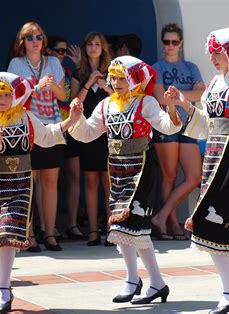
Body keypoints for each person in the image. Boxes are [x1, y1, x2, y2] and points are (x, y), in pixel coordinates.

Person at [166, 28, 229, 313]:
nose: (212, 57)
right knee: (214, 221)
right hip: (214, 153)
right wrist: (184, 104)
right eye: (211, 52)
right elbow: (207, 124)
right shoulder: (213, 83)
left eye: (217, 52)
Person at [69, 56, 180, 304]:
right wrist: (76, 118)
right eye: (114, 78)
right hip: (118, 172)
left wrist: (171, 107)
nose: (117, 82)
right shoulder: (106, 105)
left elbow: (168, 127)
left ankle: (135, 281)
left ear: (134, 79)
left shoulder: (146, 102)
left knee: (131, 227)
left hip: (142, 170)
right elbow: (87, 134)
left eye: (122, 78)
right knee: (123, 228)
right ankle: (154, 283)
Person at [0, 71, 82, 313]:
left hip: (22, 182)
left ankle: (3, 288)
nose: (0, 99)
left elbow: (48, 135)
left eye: (5, 94)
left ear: (14, 95)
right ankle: (5, 286)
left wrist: (73, 119)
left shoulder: (26, 117)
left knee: (8, 234)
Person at [8, 21, 66, 251]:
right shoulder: (16, 64)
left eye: (39, 37)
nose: (35, 41)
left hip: (51, 127)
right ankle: (29, 234)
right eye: (30, 37)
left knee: (51, 182)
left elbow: (63, 94)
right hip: (28, 128)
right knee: (28, 183)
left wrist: (50, 86)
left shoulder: (52, 62)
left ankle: (49, 234)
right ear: (22, 42)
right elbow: (13, 98)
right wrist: (35, 86)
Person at [150, 23, 204, 240]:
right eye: (166, 42)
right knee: (169, 176)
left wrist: (178, 95)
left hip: (190, 124)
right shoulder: (157, 67)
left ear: (180, 43)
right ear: (162, 43)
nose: (170, 46)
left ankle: (161, 216)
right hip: (167, 123)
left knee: (194, 176)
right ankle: (170, 224)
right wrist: (185, 95)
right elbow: (161, 98)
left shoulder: (191, 67)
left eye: (174, 42)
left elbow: (202, 95)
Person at [70, 32, 113, 246]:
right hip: (87, 134)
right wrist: (89, 82)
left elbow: (120, 99)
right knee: (90, 182)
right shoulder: (79, 74)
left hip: (108, 135)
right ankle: (94, 231)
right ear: (85, 48)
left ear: (103, 48)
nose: (94, 48)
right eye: (90, 44)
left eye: (98, 44)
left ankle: (111, 229)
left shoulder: (113, 73)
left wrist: (104, 83)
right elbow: (74, 104)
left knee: (108, 183)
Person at [47, 34, 86, 242]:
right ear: (49, 52)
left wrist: (79, 65)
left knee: (72, 175)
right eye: (59, 51)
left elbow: (73, 99)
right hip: (52, 129)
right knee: (50, 179)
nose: (63, 54)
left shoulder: (68, 71)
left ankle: (72, 224)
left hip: (69, 129)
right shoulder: (44, 72)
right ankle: (47, 226)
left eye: (65, 51)